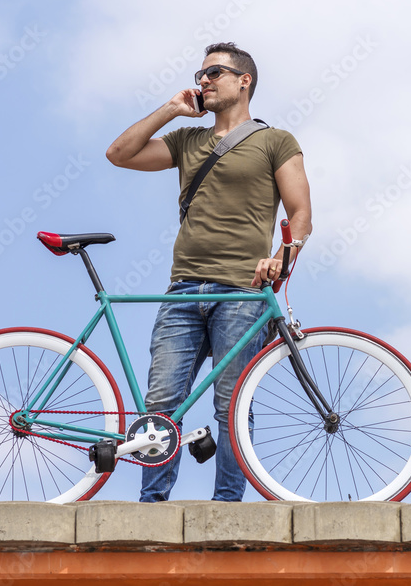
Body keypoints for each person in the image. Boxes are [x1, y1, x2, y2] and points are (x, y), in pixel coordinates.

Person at [106, 42, 312, 502]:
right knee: (160, 403)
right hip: (181, 291)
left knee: (232, 405)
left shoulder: (275, 141)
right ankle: (151, 507)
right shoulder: (188, 141)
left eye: (214, 72)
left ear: (245, 81)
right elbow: (119, 154)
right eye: (200, 74)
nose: (203, 80)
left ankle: (227, 507)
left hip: (242, 289)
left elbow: (301, 215)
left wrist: (283, 256)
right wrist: (171, 110)